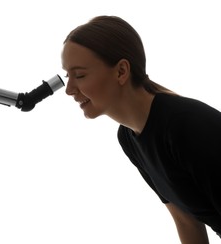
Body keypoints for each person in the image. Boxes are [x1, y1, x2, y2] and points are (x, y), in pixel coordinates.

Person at [62, 15, 221, 243]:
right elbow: (185, 220)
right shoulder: (128, 136)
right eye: (68, 76)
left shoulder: (185, 126)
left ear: (121, 71)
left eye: (80, 75)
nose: (69, 89)